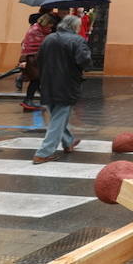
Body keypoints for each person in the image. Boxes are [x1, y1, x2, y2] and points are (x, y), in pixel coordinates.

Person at [32, 13, 92, 164]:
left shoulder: (49, 38)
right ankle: (44, 152)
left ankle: (68, 141)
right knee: (59, 117)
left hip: (47, 82)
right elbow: (84, 61)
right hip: (66, 84)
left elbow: (39, 59)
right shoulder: (77, 40)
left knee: (57, 115)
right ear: (75, 27)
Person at [18, 12, 58, 111]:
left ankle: (32, 100)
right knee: (36, 80)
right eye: (50, 24)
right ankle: (28, 100)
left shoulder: (41, 29)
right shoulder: (36, 31)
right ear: (46, 22)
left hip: (36, 58)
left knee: (37, 80)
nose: (51, 26)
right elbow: (40, 44)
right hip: (33, 58)